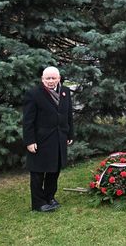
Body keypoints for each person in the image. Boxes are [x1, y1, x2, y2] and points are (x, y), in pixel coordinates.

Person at [22, 66, 74, 212]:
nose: (51, 81)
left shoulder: (65, 92)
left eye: (53, 78)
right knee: (38, 172)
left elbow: (68, 114)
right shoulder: (33, 94)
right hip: (40, 140)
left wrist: (69, 134)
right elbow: (28, 121)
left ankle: (49, 197)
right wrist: (30, 141)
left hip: (59, 138)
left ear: (59, 78)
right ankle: (38, 203)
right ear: (42, 79)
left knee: (54, 170)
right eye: (47, 78)